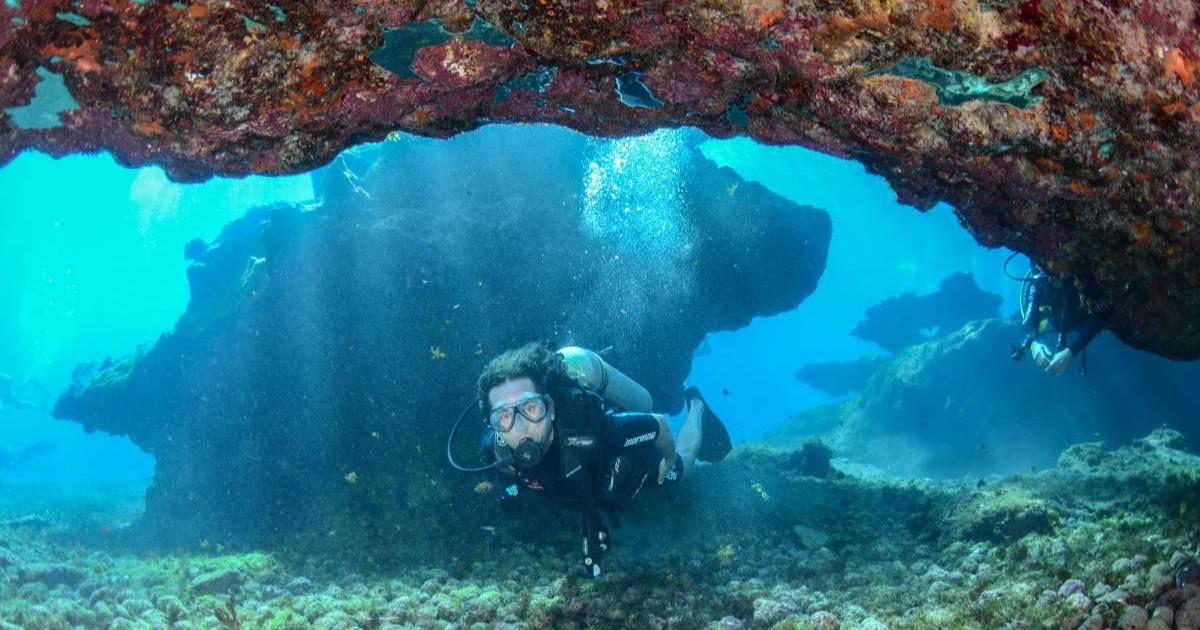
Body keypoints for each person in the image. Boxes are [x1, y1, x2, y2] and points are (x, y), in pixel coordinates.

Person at [471, 342, 730, 577]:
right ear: (493, 425)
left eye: (530, 408)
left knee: (683, 471)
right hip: (585, 488)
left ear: (549, 408)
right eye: (503, 416)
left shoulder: (593, 428)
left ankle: (696, 405)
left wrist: (669, 458)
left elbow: (658, 425)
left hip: (629, 462)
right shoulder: (497, 453)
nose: (520, 427)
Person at [1011, 265, 1109, 375]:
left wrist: (1071, 350)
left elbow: (1101, 315)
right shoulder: (1038, 284)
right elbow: (1029, 322)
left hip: (1087, 324)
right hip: (1061, 328)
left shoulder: (1078, 276)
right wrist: (1034, 344)